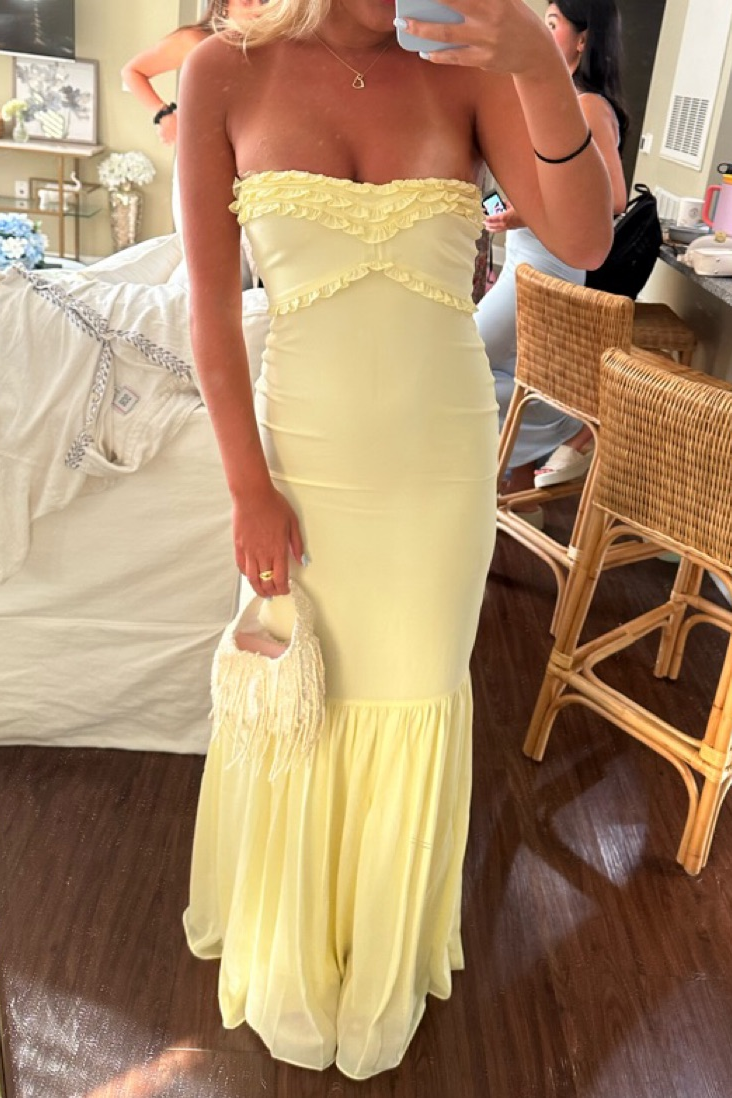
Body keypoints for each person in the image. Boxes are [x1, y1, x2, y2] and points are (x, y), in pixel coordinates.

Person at [176, 0, 613, 1078]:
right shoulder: (224, 71)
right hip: (300, 463)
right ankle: (292, 948)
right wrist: (246, 486)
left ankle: (376, 963)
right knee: (300, 698)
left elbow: (586, 240)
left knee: (415, 694)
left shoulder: (472, 65)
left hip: (438, 472)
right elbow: (211, 313)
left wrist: (536, 68)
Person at [475, 0, 628, 523]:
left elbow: (613, 201)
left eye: (553, 23)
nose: (542, 30)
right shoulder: (557, 101)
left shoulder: (588, 106)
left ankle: (574, 423)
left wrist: (525, 215)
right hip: (526, 261)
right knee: (506, 375)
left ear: (584, 39)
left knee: (462, 358)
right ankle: (511, 493)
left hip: (548, 270)